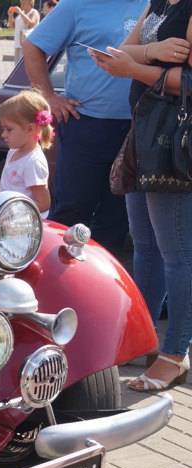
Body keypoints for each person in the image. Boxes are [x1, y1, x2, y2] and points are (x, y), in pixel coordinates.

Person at [91, 0, 192, 391]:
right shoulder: (160, 3)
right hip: (147, 135)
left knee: (178, 255)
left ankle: (173, 356)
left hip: (175, 145)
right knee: (147, 246)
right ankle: (142, 339)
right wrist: (149, 53)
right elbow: (121, 49)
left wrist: (135, 68)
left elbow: (187, 81)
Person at [22, 0, 145, 254]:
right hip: (87, 125)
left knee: (117, 219)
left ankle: (100, 286)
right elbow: (32, 45)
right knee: (71, 213)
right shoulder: (77, 5)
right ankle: (55, 282)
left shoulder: (157, 3)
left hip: (140, 128)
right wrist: (49, 97)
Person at [0, 90, 53, 215]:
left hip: (24, 226)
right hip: (10, 219)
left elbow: (43, 203)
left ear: (30, 129)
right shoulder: (13, 152)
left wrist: (13, 211)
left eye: (9, 129)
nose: (3, 134)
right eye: (3, 128)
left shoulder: (33, 163)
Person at [8, 0, 39, 65]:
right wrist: (10, 16)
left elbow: (30, 25)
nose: (22, 5)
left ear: (30, 3)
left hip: (28, 45)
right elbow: (12, 26)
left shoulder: (34, 12)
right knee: (17, 67)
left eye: (24, 3)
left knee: (26, 66)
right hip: (18, 44)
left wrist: (20, 13)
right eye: (21, 3)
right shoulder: (21, 13)